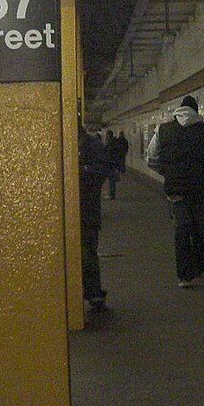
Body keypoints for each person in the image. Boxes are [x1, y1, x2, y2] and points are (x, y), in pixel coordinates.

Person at [146, 95, 204, 287]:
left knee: (181, 229)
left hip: (176, 190)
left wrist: (164, 171)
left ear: (179, 110)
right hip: (199, 189)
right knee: (199, 229)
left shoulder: (163, 130)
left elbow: (152, 157)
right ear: (196, 111)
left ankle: (184, 276)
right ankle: (197, 264)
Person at [78, 125, 110, 310]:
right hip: (86, 208)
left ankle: (93, 293)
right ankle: (92, 293)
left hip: (86, 208)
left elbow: (101, 170)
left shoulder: (92, 145)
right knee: (87, 251)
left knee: (88, 251)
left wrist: (80, 171)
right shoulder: (90, 144)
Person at [103, 130, 122, 200]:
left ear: (108, 135)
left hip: (110, 162)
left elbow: (104, 150)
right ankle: (112, 194)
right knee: (112, 179)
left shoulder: (109, 142)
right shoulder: (116, 141)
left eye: (106, 135)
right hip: (115, 162)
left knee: (111, 179)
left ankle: (111, 195)